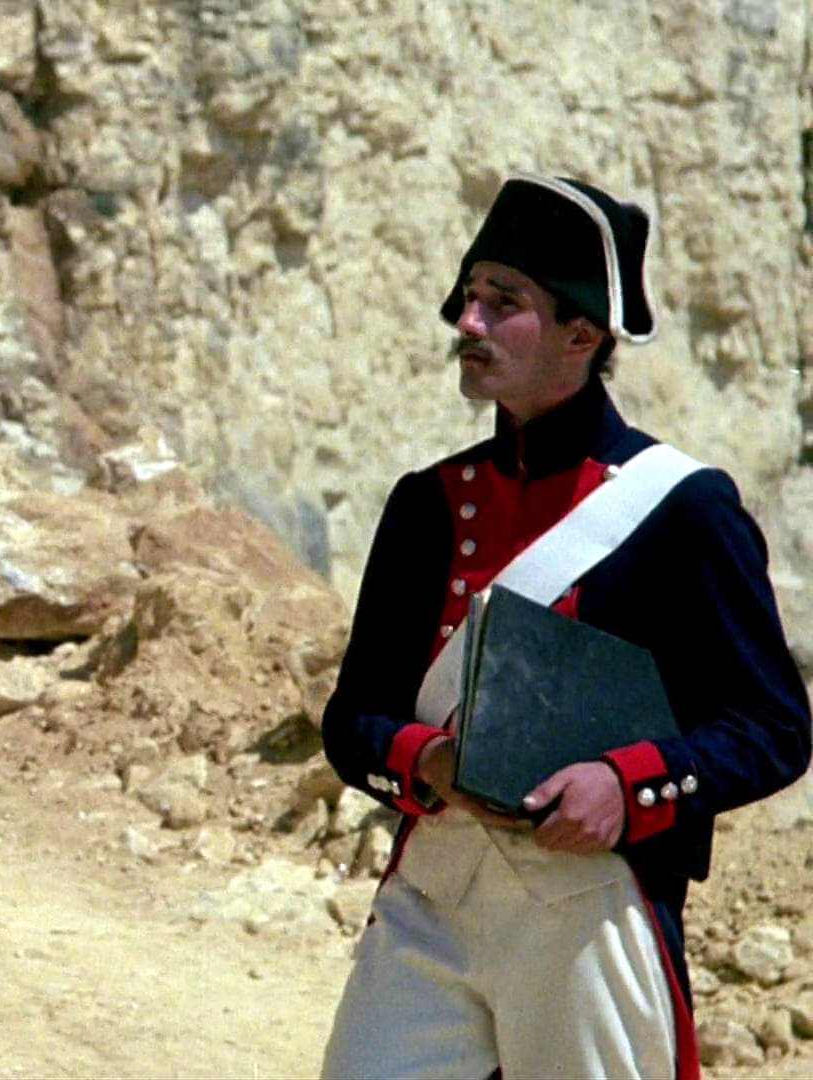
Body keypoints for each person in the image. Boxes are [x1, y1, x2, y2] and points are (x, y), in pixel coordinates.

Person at [318, 174, 812, 1078]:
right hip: (435, 887)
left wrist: (628, 785)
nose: (467, 321)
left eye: (502, 303)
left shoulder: (684, 511)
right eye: (470, 295)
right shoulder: (427, 504)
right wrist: (426, 761)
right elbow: (353, 719)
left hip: (593, 901)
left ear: (583, 335)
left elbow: (774, 728)